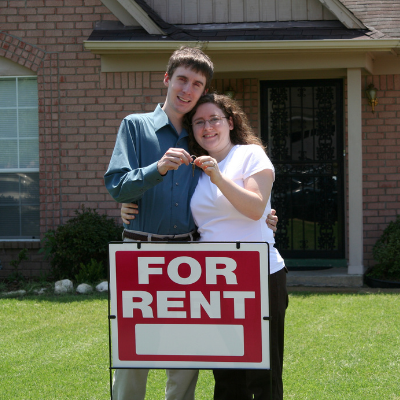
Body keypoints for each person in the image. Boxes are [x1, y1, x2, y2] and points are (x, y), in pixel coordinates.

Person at [106, 46, 278, 400]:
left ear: (203, 91)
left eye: (197, 84)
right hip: (139, 250)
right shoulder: (135, 126)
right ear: (167, 79)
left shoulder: (201, 138)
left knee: (185, 357)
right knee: (132, 355)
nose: (187, 90)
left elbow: (231, 191)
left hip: (190, 256)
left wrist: (268, 214)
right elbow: (116, 185)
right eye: (182, 79)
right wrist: (156, 170)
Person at [184, 93, 288, 400]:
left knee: (263, 374)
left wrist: (217, 176)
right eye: (199, 122)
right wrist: (129, 206)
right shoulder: (195, 169)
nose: (207, 127)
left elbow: (256, 208)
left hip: (260, 276)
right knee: (227, 375)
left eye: (214, 119)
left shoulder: (250, 155)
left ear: (230, 122)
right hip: (216, 280)